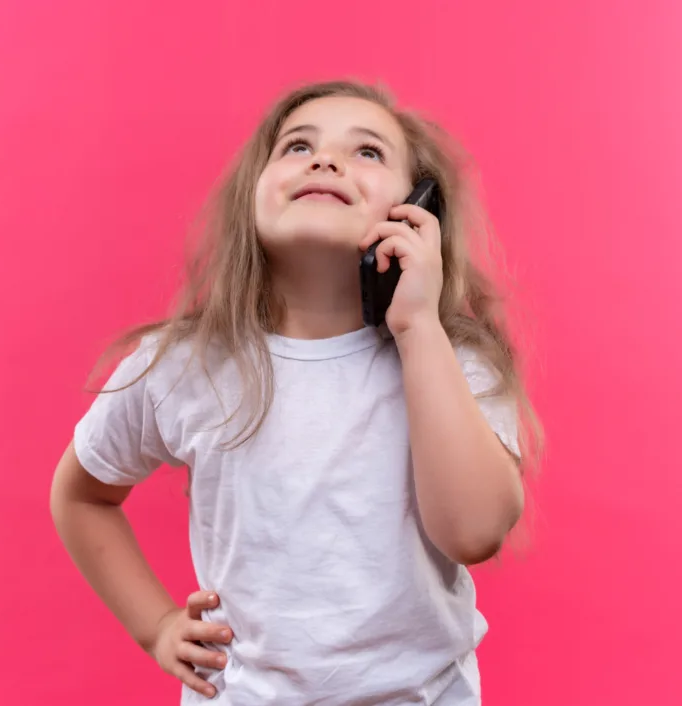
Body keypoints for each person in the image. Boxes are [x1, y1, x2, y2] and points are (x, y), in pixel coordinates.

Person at [49, 79, 542, 705]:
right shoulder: (185, 365)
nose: (325, 159)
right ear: (252, 197)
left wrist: (418, 327)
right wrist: (156, 627)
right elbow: (82, 494)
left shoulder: (452, 361)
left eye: (367, 152)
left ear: (420, 210)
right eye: (296, 146)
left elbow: (475, 532)